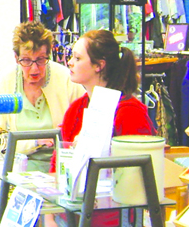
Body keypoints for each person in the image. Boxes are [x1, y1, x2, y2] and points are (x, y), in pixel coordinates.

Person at [56, 29, 153, 167]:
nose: (70, 62)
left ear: (99, 65)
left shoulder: (129, 112)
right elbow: (58, 162)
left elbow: (140, 168)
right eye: (72, 57)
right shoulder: (76, 108)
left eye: (77, 58)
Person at [0, 21, 82, 159]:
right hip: (19, 164)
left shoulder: (66, 79)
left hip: (60, 163)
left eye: (40, 60)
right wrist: (35, 142)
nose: (34, 69)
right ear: (16, 58)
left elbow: (84, 129)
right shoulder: (4, 82)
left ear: (49, 55)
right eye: (26, 61)